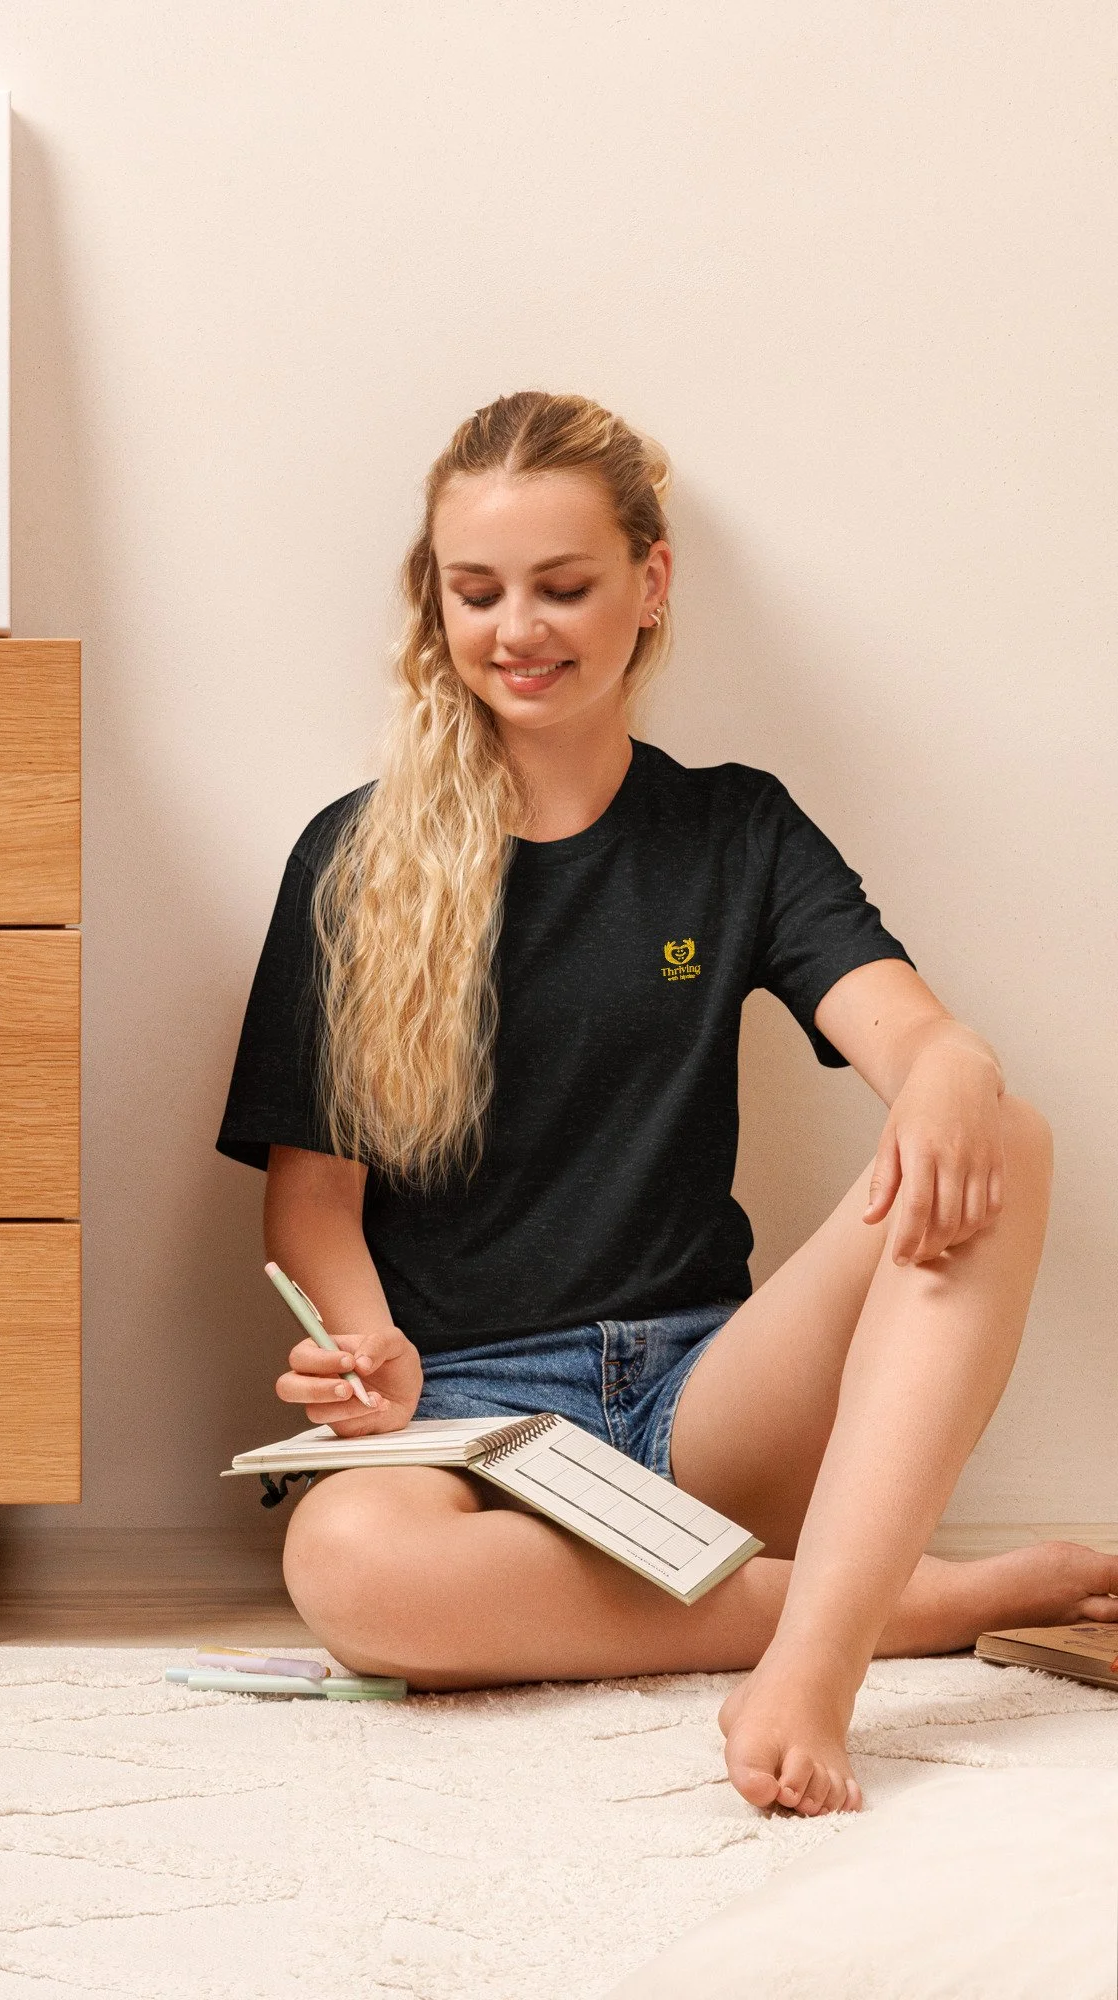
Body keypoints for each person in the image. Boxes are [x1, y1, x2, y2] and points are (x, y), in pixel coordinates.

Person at [216, 390, 1118, 1817]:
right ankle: (913, 1604)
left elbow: (911, 1032)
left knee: (1001, 1132)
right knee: (346, 1568)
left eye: (565, 586)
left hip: (709, 1405)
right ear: (434, 604)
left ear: (651, 583)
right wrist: (364, 1339)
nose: (520, 628)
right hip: (471, 1427)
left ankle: (813, 1662)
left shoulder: (733, 828)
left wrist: (951, 1066)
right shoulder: (351, 856)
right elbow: (312, 1197)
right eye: (478, 590)